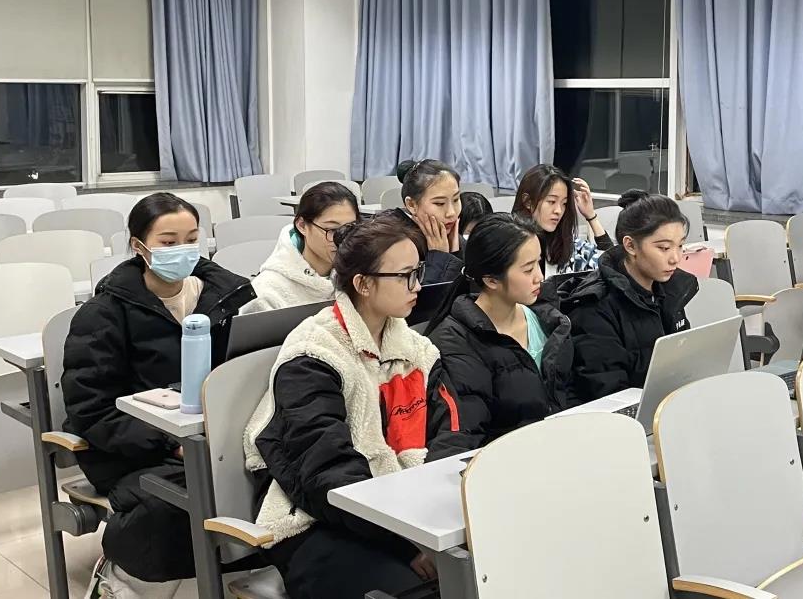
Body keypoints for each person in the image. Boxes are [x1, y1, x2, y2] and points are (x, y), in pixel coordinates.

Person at [245, 213, 473, 599]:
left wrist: (431, 519)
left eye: (418, 271)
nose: (418, 285)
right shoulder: (313, 355)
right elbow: (326, 474)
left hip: (408, 517)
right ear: (363, 284)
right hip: (319, 522)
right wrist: (406, 542)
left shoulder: (418, 350)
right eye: (405, 276)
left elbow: (451, 433)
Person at [62, 193, 253, 598]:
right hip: (135, 452)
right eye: (168, 242)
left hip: (217, 439)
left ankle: (234, 577)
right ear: (139, 246)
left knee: (275, 484)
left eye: (192, 239)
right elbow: (90, 409)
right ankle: (121, 575)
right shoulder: (104, 314)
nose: (183, 249)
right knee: (179, 505)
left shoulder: (226, 297)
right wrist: (170, 442)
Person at [426, 214, 573, 444]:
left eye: (539, 263)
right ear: (491, 280)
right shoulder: (455, 342)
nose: (540, 277)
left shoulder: (549, 321)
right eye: (528, 270)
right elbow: (462, 436)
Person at [563, 190, 699, 402]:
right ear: (630, 245)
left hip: (668, 404)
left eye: (680, 246)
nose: (675, 258)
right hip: (623, 415)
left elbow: (682, 362)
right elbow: (608, 393)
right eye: (664, 248)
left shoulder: (670, 291)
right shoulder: (594, 308)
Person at [242, 182, 359, 314]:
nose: (342, 239)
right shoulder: (267, 290)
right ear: (302, 226)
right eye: (332, 229)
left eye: (349, 229)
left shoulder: (360, 275)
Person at [512, 164, 613, 276]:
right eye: (551, 201)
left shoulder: (567, 246)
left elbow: (612, 266)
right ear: (528, 202)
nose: (559, 210)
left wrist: (591, 216)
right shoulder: (508, 244)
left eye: (564, 203)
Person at [388, 159, 464, 284]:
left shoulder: (454, 237)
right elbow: (419, 296)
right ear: (412, 205)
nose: (451, 212)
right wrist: (439, 257)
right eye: (439, 203)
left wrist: (456, 253)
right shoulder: (393, 241)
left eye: (456, 200)